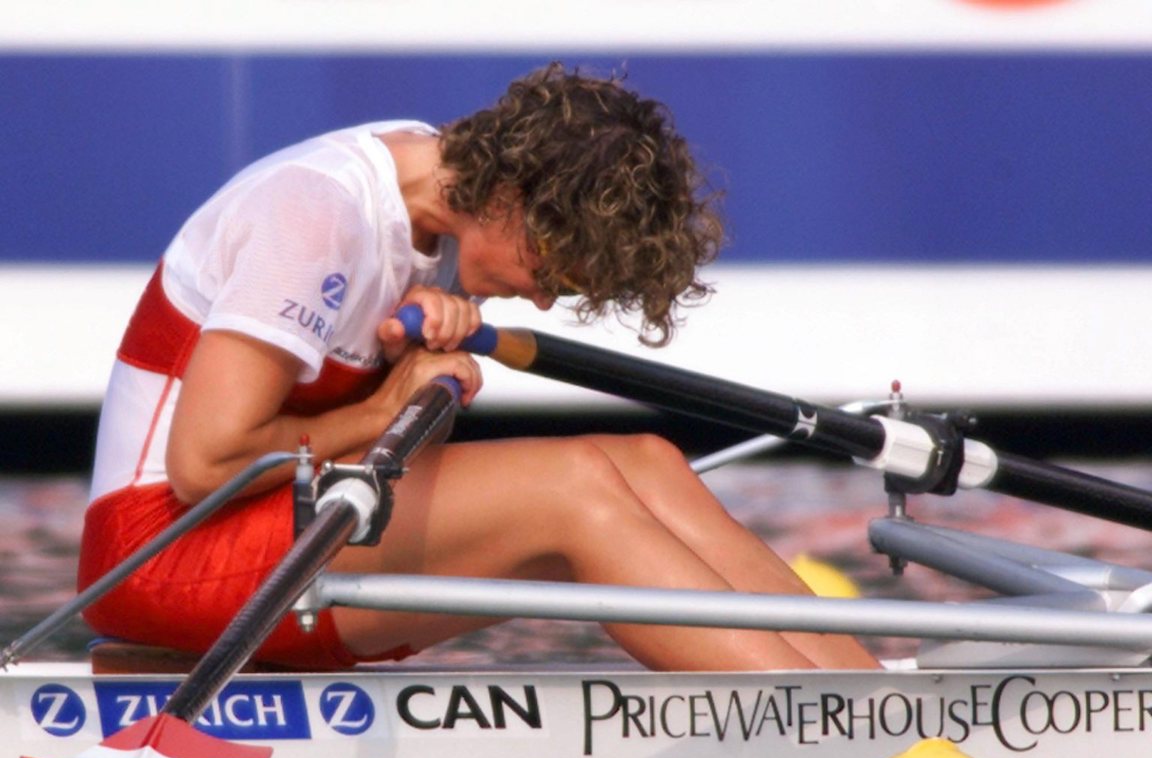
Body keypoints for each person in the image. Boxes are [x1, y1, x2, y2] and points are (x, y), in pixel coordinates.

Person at [79, 63, 878, 672]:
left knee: (646, 462)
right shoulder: (313, 214)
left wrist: (417, 371)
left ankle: (864, 696)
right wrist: (387, 398)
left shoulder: (429, 187)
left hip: (286, 530)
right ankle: (814, 723)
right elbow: (205, 464)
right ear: (513, 194)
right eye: (557, 268)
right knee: (572, 491)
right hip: (160, 553)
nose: (539, 297)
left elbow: (383, 463)